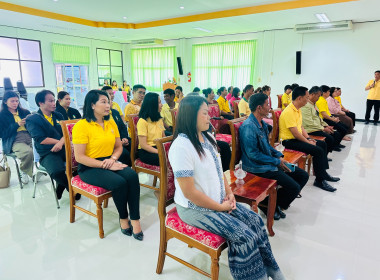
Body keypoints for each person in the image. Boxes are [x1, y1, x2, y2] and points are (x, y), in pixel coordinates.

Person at [169, 95, 285, 280]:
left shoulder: (207, 138)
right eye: (205, 113)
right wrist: (221, 207)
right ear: (191, 116)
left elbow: (219, 171)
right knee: (244, 236)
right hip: (194, 208)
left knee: (255, 221)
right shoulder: (181, 146)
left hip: (217, 199)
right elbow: (189, 193)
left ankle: (271, 270)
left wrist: (229, 194)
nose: (210, 117)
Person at [72, 90, 142, 240]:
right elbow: (80, 157)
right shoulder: (81, 126)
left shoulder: (110, 122)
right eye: (103, 101)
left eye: (108, 101)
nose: (108, 105)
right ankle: (123, 218)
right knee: (119, 183)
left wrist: (113, 159)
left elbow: (118, 147)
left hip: (109, 160)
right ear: (92, 105)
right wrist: (106, 165)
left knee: (132, 176)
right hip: (89, 166)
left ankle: (135, 219)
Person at [240, 93, 309, 219]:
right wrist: (276, 162)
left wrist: (278, 156)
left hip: (269, 163)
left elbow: (267, 146)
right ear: (259, 108)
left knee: (302, 175)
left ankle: (275, 203)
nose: (270, 108)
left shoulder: (262, 124)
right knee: (294, 187)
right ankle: (269, 205)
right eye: (267, 105)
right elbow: (252, 154)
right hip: (257, 167)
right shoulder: (249, 127)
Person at [279, 86, 340, 192]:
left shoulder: (297, 109)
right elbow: (295, 133)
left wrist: (308, 138)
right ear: (299, 98)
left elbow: (301, 127)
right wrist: (308, 141)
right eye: (306, 98)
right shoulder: (289, 111)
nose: (308, 100)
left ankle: (323, 173)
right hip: (288, 141)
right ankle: (319, 180)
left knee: (322, 144)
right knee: (318, 150)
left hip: (296, 139)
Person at [25, 90, 80, 200]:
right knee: (57, 171)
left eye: (54, 100)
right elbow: (41, 139)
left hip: (64, 148)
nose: (54, 103)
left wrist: (61, 143)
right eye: (50, 101)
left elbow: (67, 133)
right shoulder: (33, 119)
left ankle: (61, 185)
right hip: (48, 153)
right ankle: (71, 188)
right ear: (41, 103)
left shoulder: (58, 115)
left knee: (82, 161)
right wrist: (59, 142)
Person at [0, 91, 33, 183]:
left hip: (29, 136)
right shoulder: (2, 115)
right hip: (14, 140)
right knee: (28, 152)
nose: (15, 103)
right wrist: (17, 125)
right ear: (5, 102)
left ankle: (37, 171)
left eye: (17, 101)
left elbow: (33, 126)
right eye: (12, 101)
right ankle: (24, 171)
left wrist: (30, 121)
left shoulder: (25, 112)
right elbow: (2, 134)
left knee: (41, 150)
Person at [301, 86, 345, 153]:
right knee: (330, 138)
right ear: (312, 94)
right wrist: (323, 128)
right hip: (310, 129)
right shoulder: (306, 105)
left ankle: (325, 154)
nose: (318, 98)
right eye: (318, 96)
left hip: (317, 127)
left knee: (335, 133)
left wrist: (326, 126)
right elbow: (309, 122)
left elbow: (319, 118)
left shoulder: (313, 104)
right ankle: (324, 155)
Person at [136, 92, 165, 166]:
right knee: (166, 159)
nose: (161, 105)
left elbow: (163, 137)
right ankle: (165, 177)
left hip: (158, 147)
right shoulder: (142, 121)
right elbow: (143, 145)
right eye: (159, 103)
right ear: (152, 105)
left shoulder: (159, 119)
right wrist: (159, 151)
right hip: (146, 151)